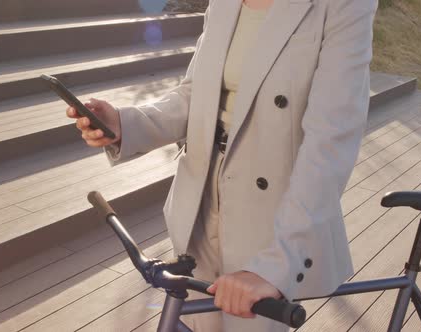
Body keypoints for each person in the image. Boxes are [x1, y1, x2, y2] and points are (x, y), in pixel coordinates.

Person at [67, 0, 377, 330]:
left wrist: (276, 264)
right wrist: (126, 124)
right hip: (198, 208)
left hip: (270, 225)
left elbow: (328, 143)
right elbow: (194, 94)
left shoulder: (344, 5)